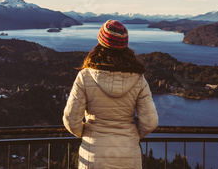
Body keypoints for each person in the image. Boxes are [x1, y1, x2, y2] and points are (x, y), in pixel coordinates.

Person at [63, 20, 159, 168]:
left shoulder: (85, 76)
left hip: (93, 156)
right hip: (127, 154)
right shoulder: (139, 79)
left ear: (100, 43)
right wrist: (131, 135)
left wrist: (88, 133)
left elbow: (71, 119)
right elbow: (150, 122)